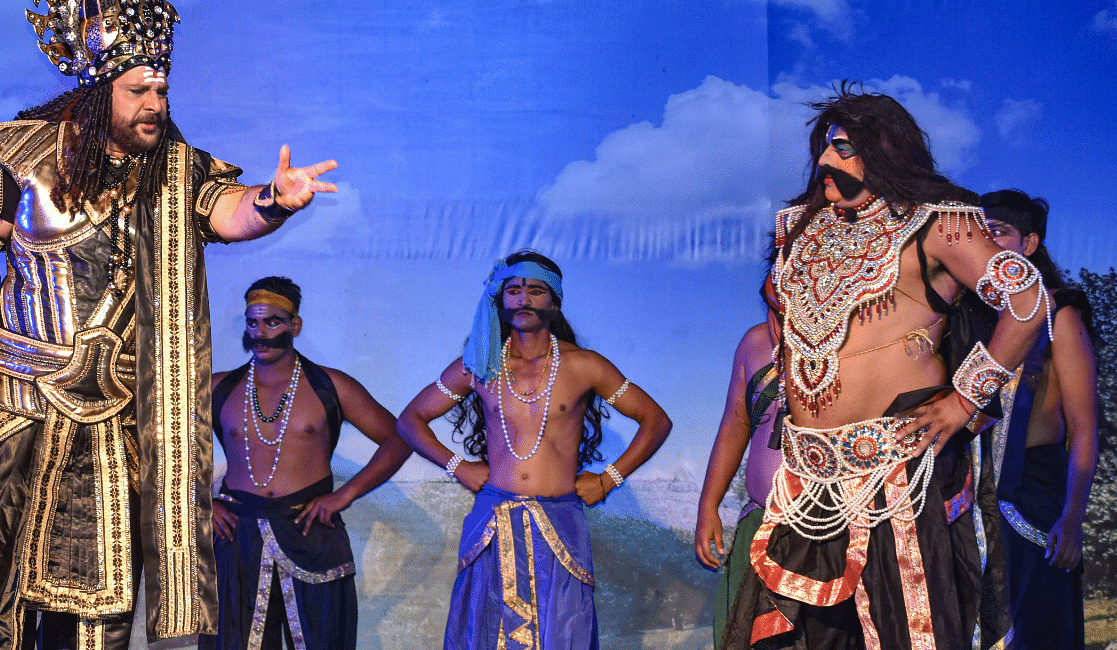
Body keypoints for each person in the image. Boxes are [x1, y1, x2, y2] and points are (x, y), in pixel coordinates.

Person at [0, 0, 338, 648]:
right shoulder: (19, 156)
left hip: (115, 419)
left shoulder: (174, 171)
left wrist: (275, 201)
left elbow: (230, 211)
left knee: (98, 610)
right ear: (99, 92)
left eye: (162, 88)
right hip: (19, 406)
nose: (156, 102)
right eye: (139, 90)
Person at [723, 84, 1050, 650]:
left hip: (898, 479)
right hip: (803, 481)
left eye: (844, 149)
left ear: (887, 152)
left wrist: (964, 398)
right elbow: (784, 322)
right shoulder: (798, 230)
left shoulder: (940, 225)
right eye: (824, 149)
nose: (826, 162)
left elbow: (1027, 300)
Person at [396, 250, 672, 650]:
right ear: (500, 300)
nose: (523, 298)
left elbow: (655, 420)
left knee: (563, 633)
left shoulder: (585, 365)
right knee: (486, 633)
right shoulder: (479, 364)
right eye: (513, 290)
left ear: (554, 302)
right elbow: (410, 420)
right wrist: (458, 466)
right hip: (493, 520)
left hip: (559, 523)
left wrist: (610, 478)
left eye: (535, 290)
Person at [201, 277, 411, 650]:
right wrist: (198, 499)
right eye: (253, 322)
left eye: (273, 322)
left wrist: (343, 496)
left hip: (311, 530)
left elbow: (399, 438)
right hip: (236, 534)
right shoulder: (218, 388)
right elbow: (162, 446)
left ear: (295, 325)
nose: (261, 333)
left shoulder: (332, 385)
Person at [980, 189, 1098, 649]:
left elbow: (1084, 426)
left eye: (1000, 233)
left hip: (1034, 500)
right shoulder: (968, 319)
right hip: (968, 500)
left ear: (1029, 244)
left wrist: (1072, 517)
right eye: (980, 236)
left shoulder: (1057, 316)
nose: (988, 245)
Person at [694, 317, 781, 649]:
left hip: (829, 530)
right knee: (739, 634)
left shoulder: (858, 329)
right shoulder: (756, 341)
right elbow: (735, 422)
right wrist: (708, 504)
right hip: (759, 522)